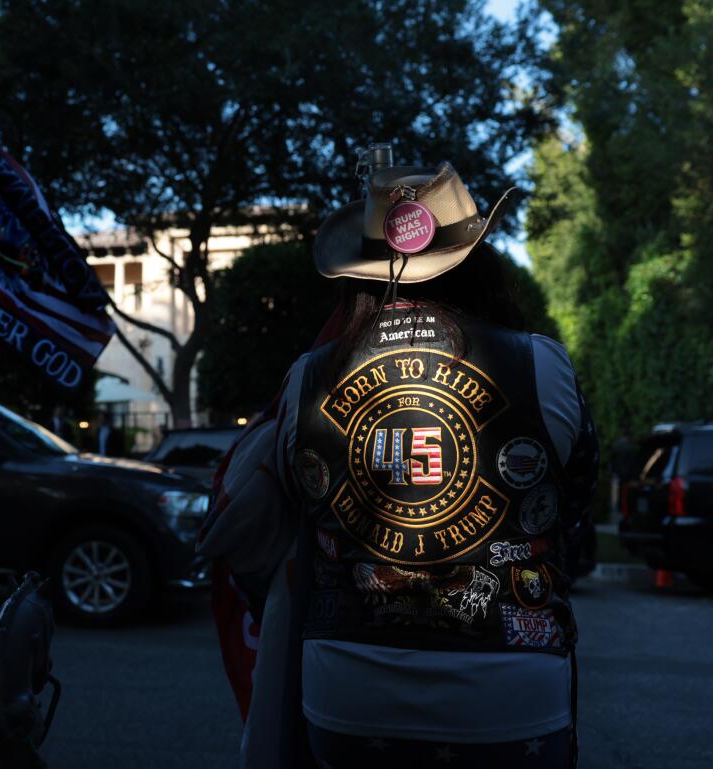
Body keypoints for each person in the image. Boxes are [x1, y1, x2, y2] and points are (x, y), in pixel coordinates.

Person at [199, 156, 599, 769]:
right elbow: (571, 504)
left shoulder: (309, 375)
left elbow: (278, 510)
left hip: (346, 689)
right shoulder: (542, 364)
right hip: (511, 690)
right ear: (477, 261)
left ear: (360, 274)